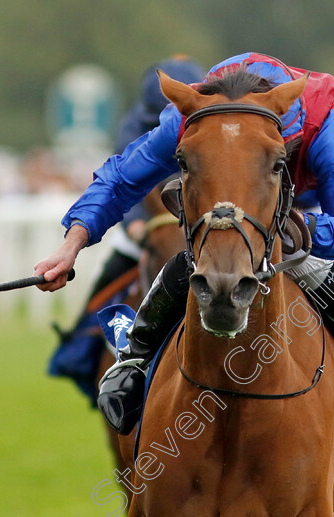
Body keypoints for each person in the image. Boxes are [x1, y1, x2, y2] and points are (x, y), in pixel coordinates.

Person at [35, 53, 334, 450]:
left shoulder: (327, 127)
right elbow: (120, 180)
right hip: (229, 215)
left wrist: (295, 228)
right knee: (189, 258)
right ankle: (132, 363)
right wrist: (72, 244)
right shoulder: (197, 112)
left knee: (321, 269)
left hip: (295, 212)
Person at [47, 56, 205, 404]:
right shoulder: (132, 125)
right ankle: (81, 349)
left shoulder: (209, 120)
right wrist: (135, 224)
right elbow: (124, 179)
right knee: (109, 278)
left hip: (197, 222)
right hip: (147, 222)